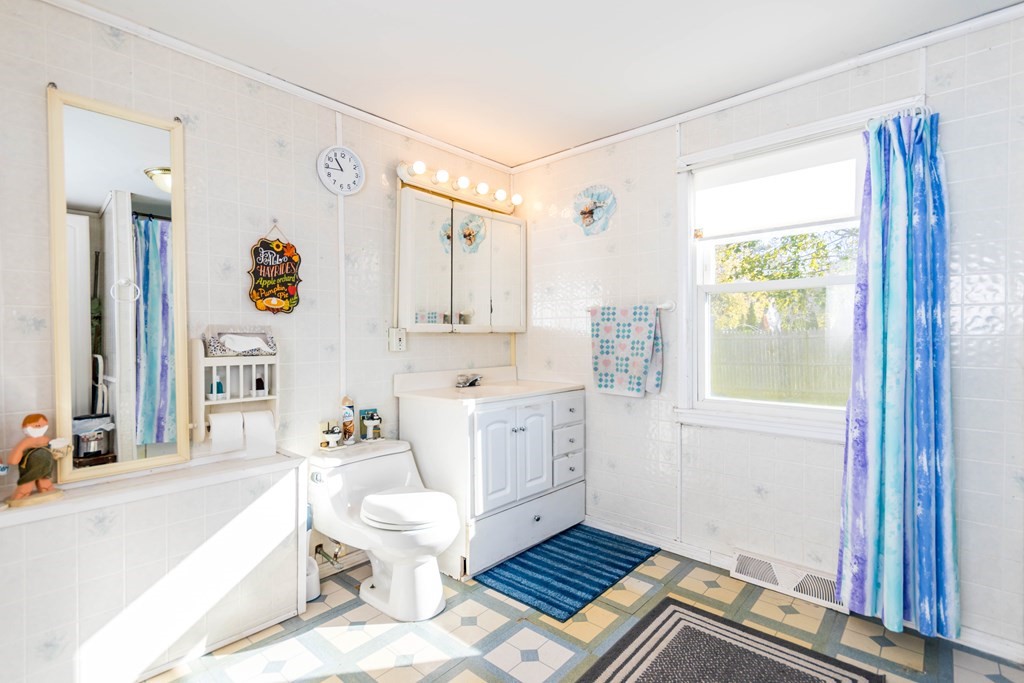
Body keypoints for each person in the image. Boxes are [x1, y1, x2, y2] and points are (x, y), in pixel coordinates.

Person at [8, 414, 58, 501]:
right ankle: (17, 501)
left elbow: (55, 451)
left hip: (45, 469)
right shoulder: (26, 442)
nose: (39, 427)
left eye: (42, 425)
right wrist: (14, 460)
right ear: (24, 427)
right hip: (30, 470)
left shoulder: (46, 439)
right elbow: (13, 460)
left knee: (46, 485)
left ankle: (49, 502)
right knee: (25, 488)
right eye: (36, 425)